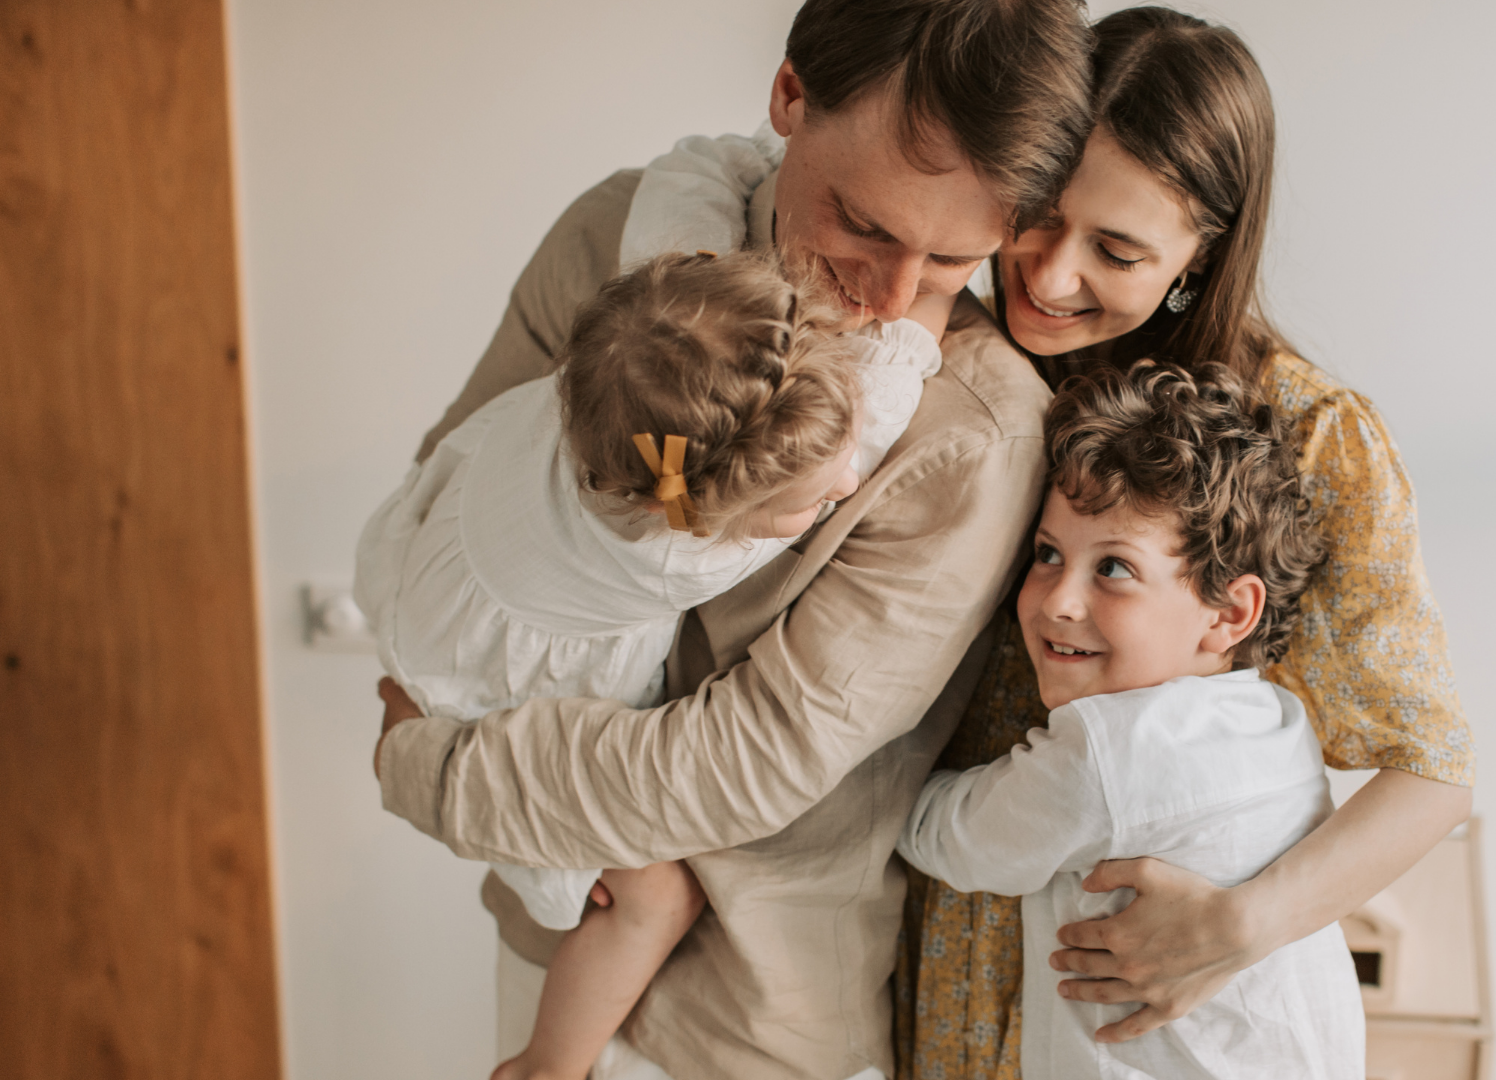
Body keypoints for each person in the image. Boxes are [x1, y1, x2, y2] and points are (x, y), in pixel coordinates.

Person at [372, 1, 1094, 1078]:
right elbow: (462, 483)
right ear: (791, 95)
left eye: (952, 261)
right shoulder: (611, 239)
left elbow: (755, 757)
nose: (891, 300)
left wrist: (430, 767)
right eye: (863, 224)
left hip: (746, 1021)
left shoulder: (974, 436)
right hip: (548, 923)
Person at [897, 8, 1474, 1076]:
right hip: (947, 958)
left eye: (1116, 251)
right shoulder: (942, 362)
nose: (1048, 277)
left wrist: (1239, 927)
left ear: (1200, 257)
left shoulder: (1310, 438)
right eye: (1038, 217)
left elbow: (1432, 776)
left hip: (1143, 995)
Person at [356, 248, 951, 1080]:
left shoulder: (625, 362)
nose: (849, 481)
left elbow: (682, 200)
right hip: (481, 684)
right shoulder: (674, 550)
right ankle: (546, 1066)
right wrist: (939, 296)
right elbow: (888, 397)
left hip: (428, 591)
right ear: (701, 511)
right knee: (655, 893)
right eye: (814, 502)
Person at [896, 361, 1364, 1080]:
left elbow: (952, 838)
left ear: (1229, 612)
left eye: (1113, 568)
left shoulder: (1111, 750)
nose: (1058, 601)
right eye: (1047, 554)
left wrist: (879, 769)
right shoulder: (1278, 721)